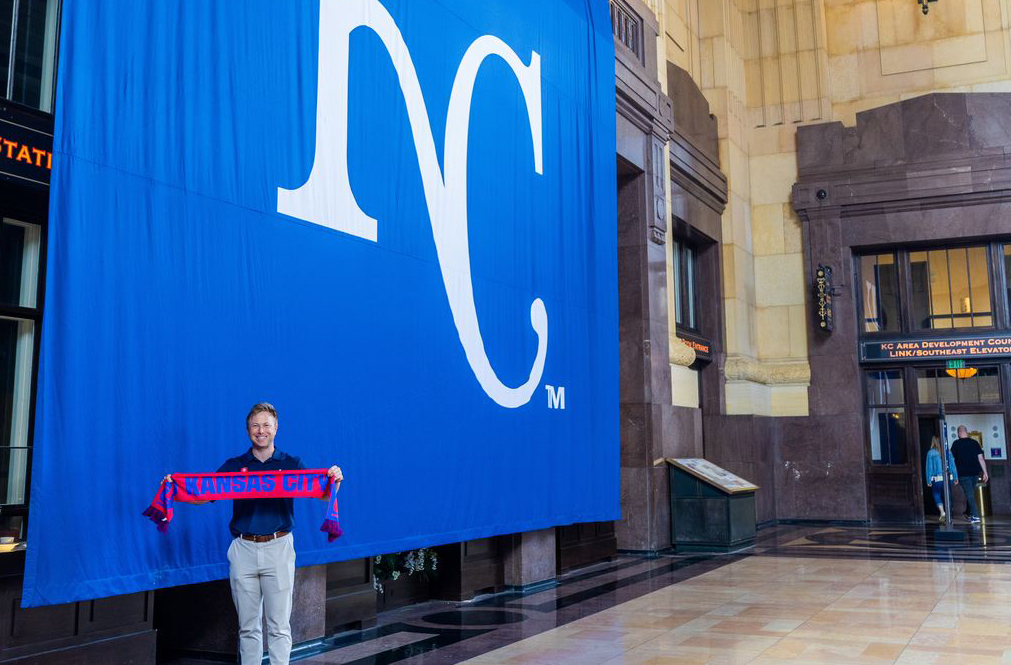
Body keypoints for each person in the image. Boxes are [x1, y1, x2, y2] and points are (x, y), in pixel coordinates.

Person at [165, 402, 343, 665]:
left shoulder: (291, 464)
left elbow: (322, 491)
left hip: (278, 547)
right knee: (248, 627)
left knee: (279, 626)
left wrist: (334, 478)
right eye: (255, 426)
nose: (261, 431)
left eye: (266, 425)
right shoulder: (235, 465)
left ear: (276, 428)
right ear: (248, 430)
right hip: (243, 549)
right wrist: (174, 487)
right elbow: (205, 495)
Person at [950, 425, 987, 524]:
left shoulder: (956, 444)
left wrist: (953, 473)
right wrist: (985, 472)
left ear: (958, 433)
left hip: (963, 474)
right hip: (975, 473)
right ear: (966, 431)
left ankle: (975, 516)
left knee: (969, 495)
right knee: (970, 494)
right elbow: (981, 458)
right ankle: (969, 513)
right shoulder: (974, 443)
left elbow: (951, 460)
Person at [924, 436, 957, 524]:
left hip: (937, 478)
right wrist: (955, 477)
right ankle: (949, 514)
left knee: (936, 494)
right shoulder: (948, 452)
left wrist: (928, 480)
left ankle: (942, 512)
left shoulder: (931, 453)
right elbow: (953, 465)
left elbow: (929, 468)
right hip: (948, 477)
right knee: (947, 495)